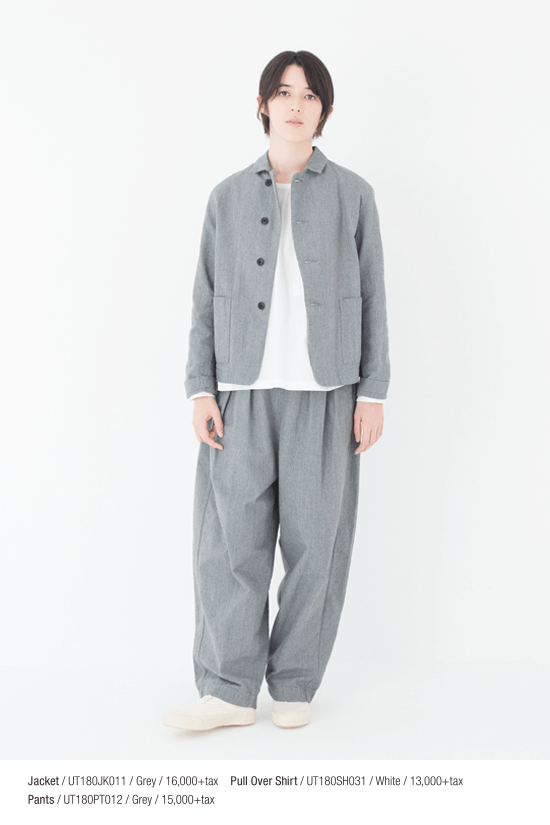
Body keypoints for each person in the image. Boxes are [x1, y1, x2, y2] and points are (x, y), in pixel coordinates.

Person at [163, 50, 390, 732]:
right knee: (230, 543)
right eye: (284, 92)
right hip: (241, 391)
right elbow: (204, 297)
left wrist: (373, 392)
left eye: (310, 94)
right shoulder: (228, 196)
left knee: (318, 542)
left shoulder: (354, 194)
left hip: (327, 392)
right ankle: (228, 690)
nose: (296, 104)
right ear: (263, 105)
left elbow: (374, 296)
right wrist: (200, 388)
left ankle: (294, 682)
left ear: (325, 110)